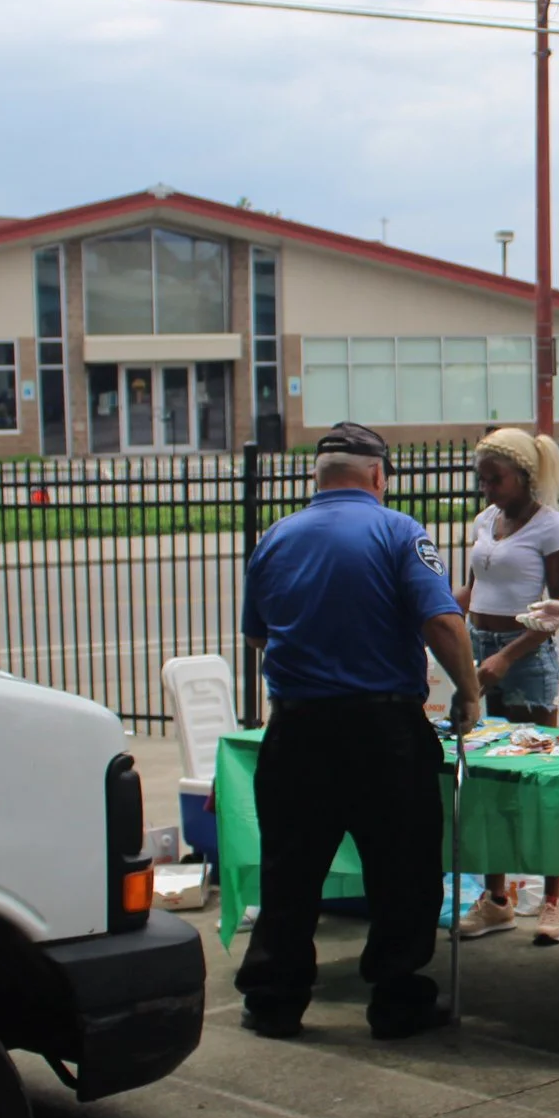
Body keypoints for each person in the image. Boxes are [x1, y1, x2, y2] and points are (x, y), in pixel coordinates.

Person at [232, 422, 484, 1041]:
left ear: (316, 478)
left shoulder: (275, 538)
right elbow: (443, 623)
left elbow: (258, 633)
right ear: (377, 475)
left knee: (290, 872)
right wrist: (470, 692)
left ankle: (274, 1000)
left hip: (296, 730)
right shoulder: (398, 531)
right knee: (403, 871)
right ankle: (397, 1001)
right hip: (381, 731)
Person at [456, 427, 559, 946]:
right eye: (481, 479)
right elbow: (473, 587)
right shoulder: (488, 520)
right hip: (477, 649)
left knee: (537, 779)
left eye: (495, 479)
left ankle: (553, 899)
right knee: (487, 778)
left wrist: (507, 656)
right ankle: (497, 900)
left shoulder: (551, 527)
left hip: (524, 660)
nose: (486, 489)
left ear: (524, 476)